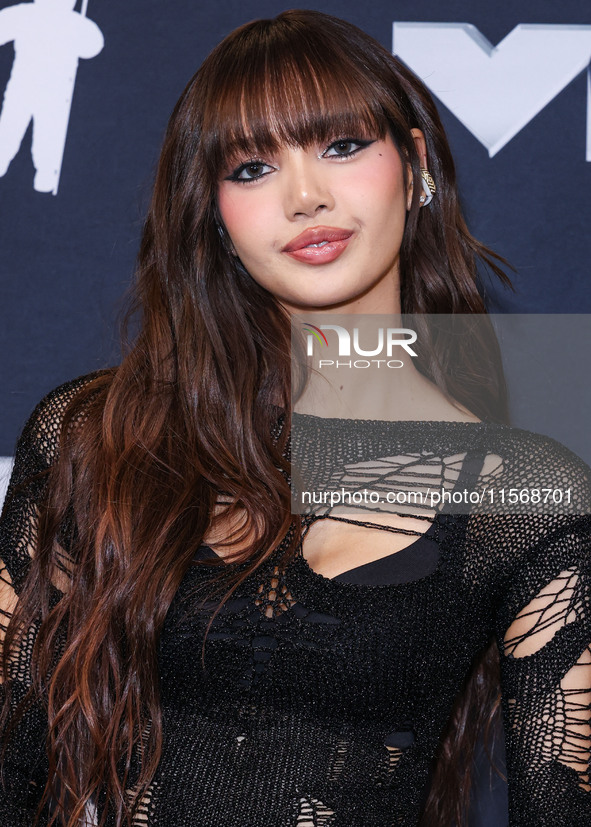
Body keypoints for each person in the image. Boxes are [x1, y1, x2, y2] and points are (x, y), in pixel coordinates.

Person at [0, 9, 589, 827]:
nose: (305, 196)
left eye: (341, 147)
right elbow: (11, 757)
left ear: (414, 165)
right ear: (212, 211)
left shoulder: (523, 496)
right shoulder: (92, 434)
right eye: (250, 168)